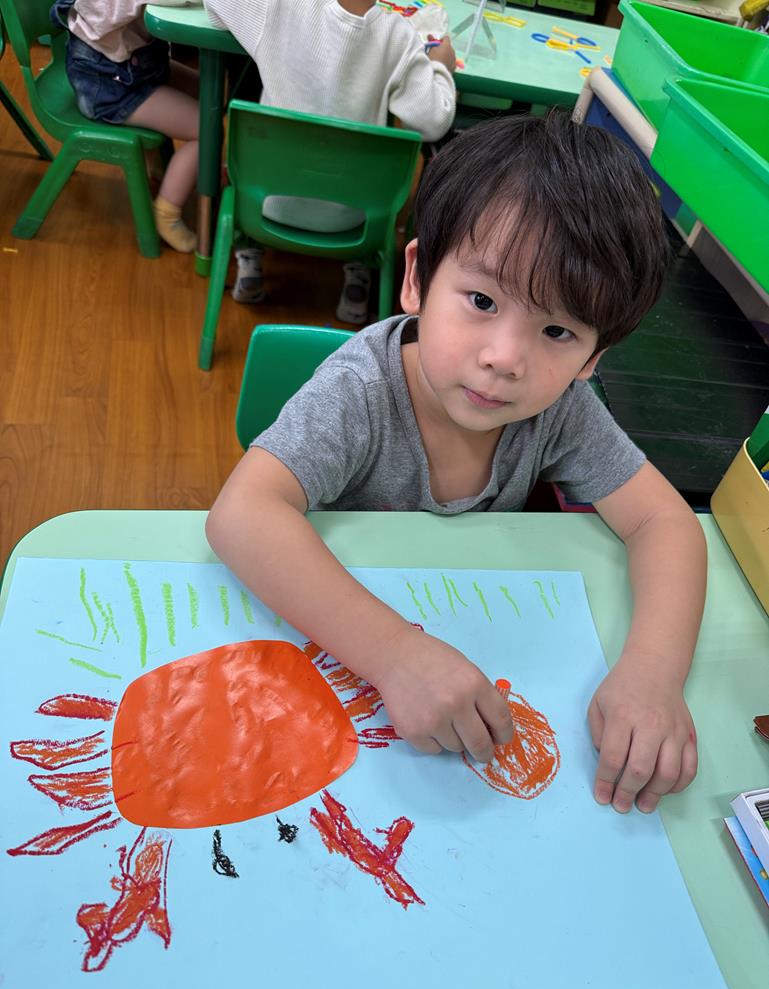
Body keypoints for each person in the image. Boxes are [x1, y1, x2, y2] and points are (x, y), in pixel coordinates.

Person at [206, 112, 706, 816]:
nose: (504, 357)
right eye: (481, 301)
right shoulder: (361, 390)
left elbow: (665, 521)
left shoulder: (559, 410)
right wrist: (393, 654)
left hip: (479, 655)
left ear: (592, 359)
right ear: (416, 278)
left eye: (556, 330)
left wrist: (653, 674)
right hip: (336, 665)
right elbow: (241, 514)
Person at [203, 0, 456, 322]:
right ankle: (358, 272)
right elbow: (434, 121)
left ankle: (250, 255)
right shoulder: (398, 37)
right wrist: (440, 66)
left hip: (264, 207)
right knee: (369, 172)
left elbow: (214, 7)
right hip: (356, 220)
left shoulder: (275, 6)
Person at [50, 0, 199, 253]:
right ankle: (167, 213)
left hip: (134, 69)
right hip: (110, 87)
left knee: (210, 92)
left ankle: (168, 168)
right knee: (204, 128)